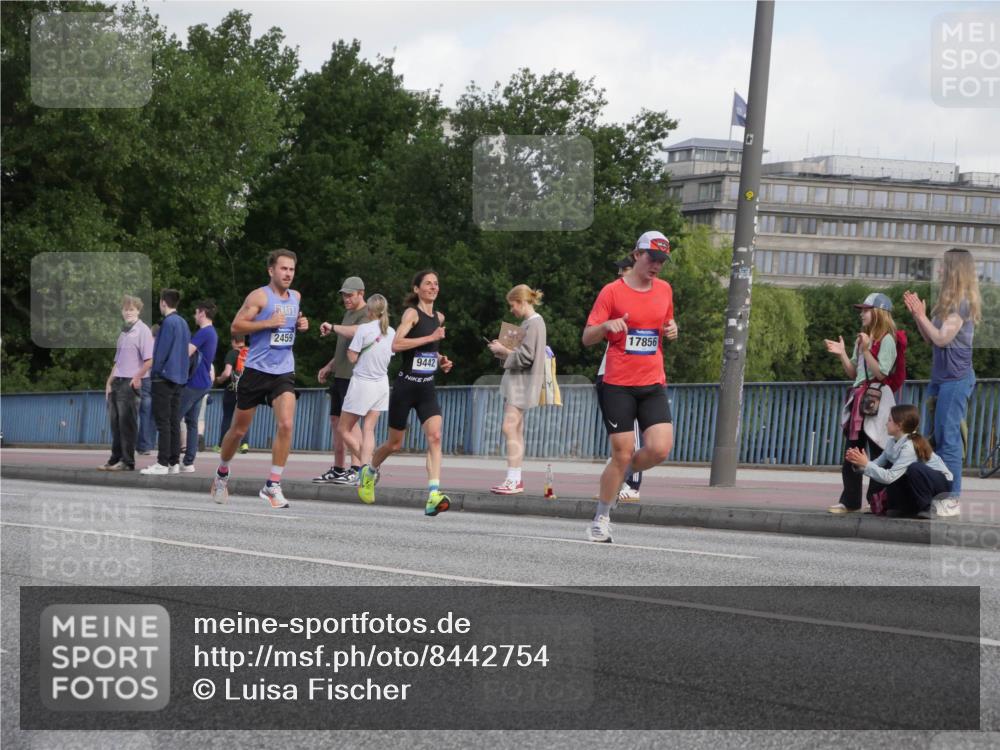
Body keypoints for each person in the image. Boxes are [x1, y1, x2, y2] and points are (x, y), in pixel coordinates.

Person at [581, 231, 678, 543]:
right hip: (617, 384)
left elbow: (665, 325)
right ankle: (601, 517)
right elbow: (587, 337)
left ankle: (618, 472)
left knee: (660, 449)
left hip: (652, 382)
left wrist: (673, 329)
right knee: (622, 453)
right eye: (652, 257)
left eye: (662, 260)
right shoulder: (612, 292)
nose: (657, 265)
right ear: (637, 254)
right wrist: (606, 326)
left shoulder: (664, 290)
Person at [210, 249, 309, 508]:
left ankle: (272, 484)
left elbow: (290, 323)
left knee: (286, 424)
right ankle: (222, 473)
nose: (288, 273)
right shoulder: (259, 297)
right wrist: (266, 324)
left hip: (283, 371)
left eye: (291, 269)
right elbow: (236, 326)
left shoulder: (296, 297)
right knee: (239, 429)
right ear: (271, 271)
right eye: (283, 269)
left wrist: (300, 324)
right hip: (256, 370)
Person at [360, 270, 454, 516]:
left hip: (426, 388)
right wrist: (430, 337)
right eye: (428, 283)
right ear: (417, 289)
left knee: (434, 437)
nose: (433, 287)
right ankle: (369, 471)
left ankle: (433, 495)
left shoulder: (439, 317)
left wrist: (441, 359)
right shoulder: (412, 314)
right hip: (405, 386)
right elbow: (396, 344)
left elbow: (429, 350)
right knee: (394, 443)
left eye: (436, 283)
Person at [904, 247, 981, 512]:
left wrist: (922, 315)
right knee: (936, 440)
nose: (938, 270)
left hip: (956, 380)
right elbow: (929, 338)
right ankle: (936, 495)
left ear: (954, 271)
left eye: (943, 267)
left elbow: (941, 338)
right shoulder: (946, 304)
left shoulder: (962, 305)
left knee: (949, 439)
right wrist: (918, 316)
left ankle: (953, 498)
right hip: (941, 379)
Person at [823, 293, 899, 514]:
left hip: (877, 400)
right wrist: (843, 354)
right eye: (862, 310)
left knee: (878, 451)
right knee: (852, 451)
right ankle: (850, 500)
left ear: (878, 313)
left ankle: (877, 500)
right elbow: (854, 372)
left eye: (866, 310)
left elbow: (882, 374)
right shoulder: (862, 339)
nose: (862, 314)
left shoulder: (887, 339)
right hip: (860, 400)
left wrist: (866, 350)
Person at [487, 285, 547, 495]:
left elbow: (526, 357)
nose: (511, 310)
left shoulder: (533, 324)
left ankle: (513, 479)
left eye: (512, 305)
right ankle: (515, 478)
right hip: (522, 382)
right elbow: (524, 354)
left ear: (521, 302)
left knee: (509, 427)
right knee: (516, 429)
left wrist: (503, 350)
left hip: (521, 383)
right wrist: (503, 350)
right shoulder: (531, 323)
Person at [845, 404, 954, 519]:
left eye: (889, 420)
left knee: (914, 468)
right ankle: (900, 507)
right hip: (922, 482)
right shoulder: (892, 442)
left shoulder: (909, 446)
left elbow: (889, 476)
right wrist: (859, 463)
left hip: (942, 485)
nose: (886, 423)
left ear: (899, 425)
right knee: (891, 466)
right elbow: (877, 465)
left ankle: (928, 508)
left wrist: (866, 464)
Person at [336, 294, 395, 498]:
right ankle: (369, 467)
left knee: (344, 428)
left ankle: (363, 466)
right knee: (368, 428)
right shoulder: (392, 332)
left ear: (369, 311)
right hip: (382, 385)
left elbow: (352, 356)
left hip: (362, 383)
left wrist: (358, 355)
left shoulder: (363, 329)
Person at [596, 257, 644, 502]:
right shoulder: (615, 297)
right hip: (608, 373)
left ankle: (633, 484)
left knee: (631, 429)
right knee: (617, 435)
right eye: (618, 272)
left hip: (630, 376)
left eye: (623, 271)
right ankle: (616, 479)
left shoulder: (643, 299)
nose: (619, 276)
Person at [315, 277, 368, 485]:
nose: (346, 299)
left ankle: (357, 468)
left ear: (361, 293)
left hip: (355, 376)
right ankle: (338, 468)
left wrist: (333, 327)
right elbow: (343, 346)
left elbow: (357, 333)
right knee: (336, 422)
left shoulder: (367, 314)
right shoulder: (348, 314)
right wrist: (329, 366)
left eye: (350, 295)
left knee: (352, 424)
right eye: (344, 295)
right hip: (340, 376)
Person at [99, 295, 153, 471]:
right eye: (125, 309)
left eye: (132, 309)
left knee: (127, 423)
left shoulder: (143, 330)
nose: (128, 312)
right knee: (115, 423)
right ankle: (115, 458)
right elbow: (118, 361)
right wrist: (109, 382)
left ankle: (128, 461)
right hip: (118, 381)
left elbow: (149, 360)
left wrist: (137, 378)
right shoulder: (124, 332)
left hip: (131, 382)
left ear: (138, 310)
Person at [141, 289, 190, 475]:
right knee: (174, 421)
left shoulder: (167, 323)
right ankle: (174, 462)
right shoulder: (184, 323)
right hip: (180, 378)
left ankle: (162, 462)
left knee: (162, 421)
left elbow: (161, 352)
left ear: (163, 302)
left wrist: (155, 371)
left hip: (164, 378)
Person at [178, 300, 219, 471]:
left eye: (196, 312)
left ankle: (169, 460)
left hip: (194, 383)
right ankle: (188, 462)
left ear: (202, 313)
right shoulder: (212, 332)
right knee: (192, 422)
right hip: (203, 383)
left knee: (173, 418)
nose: (195, 316)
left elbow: (185, 352)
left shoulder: (204, 332)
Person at [213, 335, 249, 454]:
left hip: (232, 390)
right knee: (244, 418)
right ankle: (244, 444)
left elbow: (227, 373)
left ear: (234, 341)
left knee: (227, 417)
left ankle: (221, 445)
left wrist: (219, 379)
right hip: (246, 391)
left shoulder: (232, 353)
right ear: (243, 341)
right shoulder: (250, 353)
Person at [136, 323, 157, 456]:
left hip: (146, 377)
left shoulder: (148, 344)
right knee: (153, 413)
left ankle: (143, 445)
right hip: (158, 380)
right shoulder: (163, 345)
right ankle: (149, 444)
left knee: (144, 412)